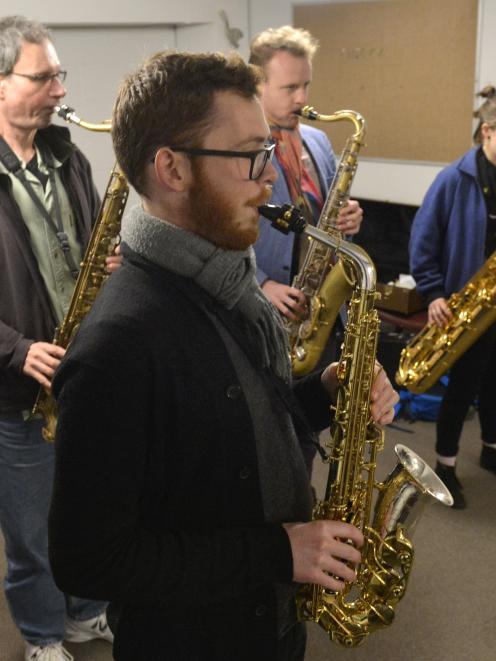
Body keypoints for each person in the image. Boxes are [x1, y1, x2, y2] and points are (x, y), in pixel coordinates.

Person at [47, 50, 398, 661]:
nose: (269, 177)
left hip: (267, 622)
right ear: (172, 169)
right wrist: (279, 553)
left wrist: (326, 391)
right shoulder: (118, 343)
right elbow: (86, 559)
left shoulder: (230, 278)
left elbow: (235, 424)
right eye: (251, 156)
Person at [0, 15, 117, 661]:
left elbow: (93, 237)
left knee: (92, 507)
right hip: (18, 390)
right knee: (31, 533)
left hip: (86, 370)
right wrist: (18, 350)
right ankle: (43, 636)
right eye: (43, 77)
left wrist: (111, 262)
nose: (60, 91)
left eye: (59, 75)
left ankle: (86, 611)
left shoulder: (69, 154)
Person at [409, 85, 496, 510]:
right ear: (487, 132)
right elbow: (423, 243)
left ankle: (492, 449)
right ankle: (445, 465)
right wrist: (433, 293)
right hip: (464, 307)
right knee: (462, 389)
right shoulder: (452, 179)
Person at [249, 25, 363, 323]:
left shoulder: (317, 140)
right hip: (268, 309)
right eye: (290, 88)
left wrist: (349, 220)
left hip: (322, 308)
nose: (302, 98)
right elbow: (214, 236)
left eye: (306, 85)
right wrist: (261, 284)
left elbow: (329, 217)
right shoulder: (240, 147)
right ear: (258, 84)